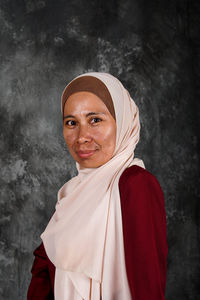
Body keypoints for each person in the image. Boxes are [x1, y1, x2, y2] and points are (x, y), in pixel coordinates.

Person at [27, 72, 168, 300]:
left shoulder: (136, 185)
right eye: (71, 123)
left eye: (95, 120)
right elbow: (45, 269)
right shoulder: (71, 194)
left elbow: (147, 285)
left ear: (122, 122)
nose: (82, 137)